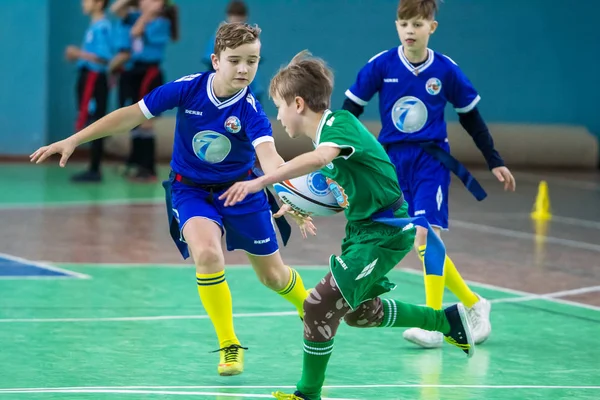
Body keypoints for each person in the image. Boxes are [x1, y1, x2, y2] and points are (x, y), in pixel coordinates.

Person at [30, 22, 311, 377]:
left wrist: (294, 194)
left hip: (242, 189)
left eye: (252, 61)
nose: (243, 69)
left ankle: (309, 303)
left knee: (273, 277)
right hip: (189, 189)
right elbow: (131, 115)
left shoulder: (251, 111)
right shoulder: (188, 89)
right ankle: (229, 344)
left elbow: (270, 159)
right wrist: (75, 139)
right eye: (235, 60)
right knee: (207, 254)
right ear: (215, 60)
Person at [219, 50, 475, 400]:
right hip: (362, 232)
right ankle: (446, 322)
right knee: (360, 314)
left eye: (278, 106)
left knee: (317, 305)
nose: (276, 116)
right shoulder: (325, 138)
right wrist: (296, 204)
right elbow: (338, 191)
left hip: (385, 232)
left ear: (297, 104)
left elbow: (321, 159)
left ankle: (308, 394)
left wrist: (262, 181)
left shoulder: (339, 124)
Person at [342, 0, 516, 348]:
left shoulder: (446, 70)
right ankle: (473, 302)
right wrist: (338, 157)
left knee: (424, 236)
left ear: (431, 28)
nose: (410, 30)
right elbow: (349, 112)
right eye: (405, 24)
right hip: (389, 164)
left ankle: (436, 323)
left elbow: (471, 117)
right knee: (414, 240)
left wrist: (493, 159)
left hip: (430, 163)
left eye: (418, 24)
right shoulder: (381, 65)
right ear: (396, 26)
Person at [110, 0, 179, 181]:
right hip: (134, 71)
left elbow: (136, 32)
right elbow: (115, 9)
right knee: (134, 118)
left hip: (149, 72)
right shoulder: (134, 16)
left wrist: (148, 14)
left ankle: (148, 167)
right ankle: (136, 161)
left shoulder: (162, 23)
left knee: (146, 119)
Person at [66, 0, 112, 182]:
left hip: (94, 79)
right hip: (86, 76)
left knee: (96, 121)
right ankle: (92, 166)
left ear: (99, 3)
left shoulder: (103, 27)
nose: (83, 3)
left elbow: (104, 58)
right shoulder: (93, 26)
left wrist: (78, 54)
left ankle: (95, 168)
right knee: (89, 119)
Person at [202, 1, 264, 102]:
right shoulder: (219, 37)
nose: (237, 21)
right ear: (228, 16)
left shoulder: (251, 38)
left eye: (240, 18)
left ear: (245, 17)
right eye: (234, 17)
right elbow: (210, 61)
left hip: (249, 86)